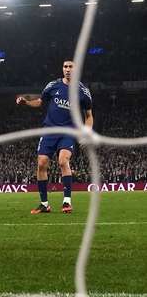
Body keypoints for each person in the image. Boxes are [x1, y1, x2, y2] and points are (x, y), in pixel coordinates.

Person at [16, 60, 93, 214]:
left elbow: (89, 116)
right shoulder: (53, 86)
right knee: (42, 163)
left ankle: (66, 202)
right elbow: (40, 102)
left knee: (63, 160)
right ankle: (44, 204)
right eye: (65, 66)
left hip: (69, 131)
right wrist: (26, 101)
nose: (68, 69)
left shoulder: (83, 91)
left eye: (71, 67)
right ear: (62, 69)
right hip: (49, 130)